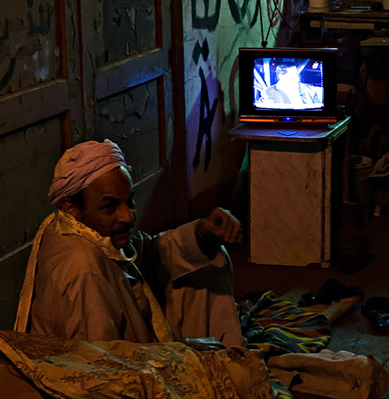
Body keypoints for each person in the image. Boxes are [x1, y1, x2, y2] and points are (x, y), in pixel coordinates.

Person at [15, 140, 246, 344]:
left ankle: (228, 357)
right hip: (120, 373)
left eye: (130, 201)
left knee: (208, 260)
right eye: (110, 206)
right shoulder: (82, 268)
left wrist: (202, 234)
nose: (127, 217)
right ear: (71, 207)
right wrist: (180, 361)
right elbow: (106, 369)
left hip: (137, 350)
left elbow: (150, 252)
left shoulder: (88, 229)